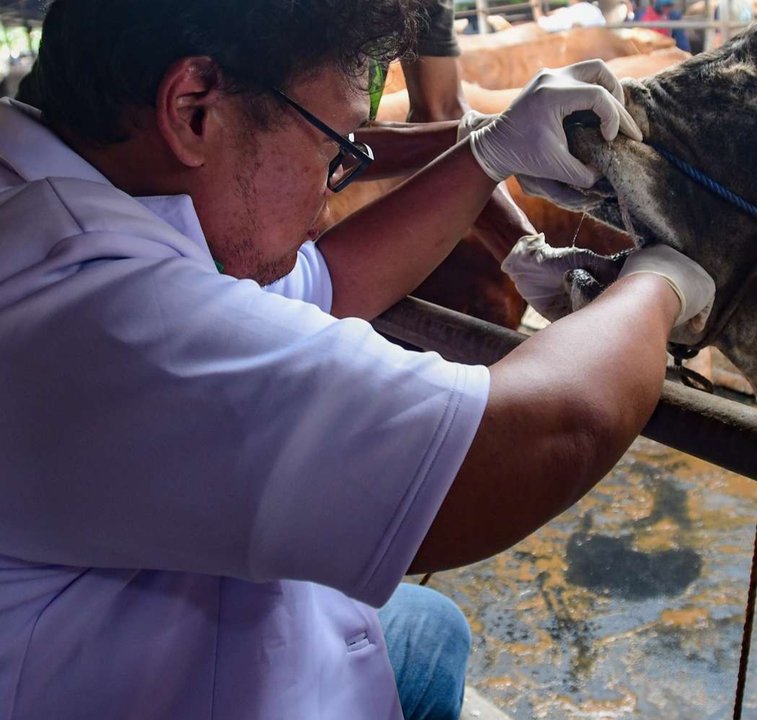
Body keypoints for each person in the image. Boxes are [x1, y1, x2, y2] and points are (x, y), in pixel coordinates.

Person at [0, 3, 714, 720]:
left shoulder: (58, 192)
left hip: (147, 646)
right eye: (333, 149)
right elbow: (530, 438)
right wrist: (659, 283)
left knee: (432, 626)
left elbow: (325, 284)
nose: (330, 191)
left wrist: (487, 154)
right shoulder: (101, 308)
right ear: (193, 110)